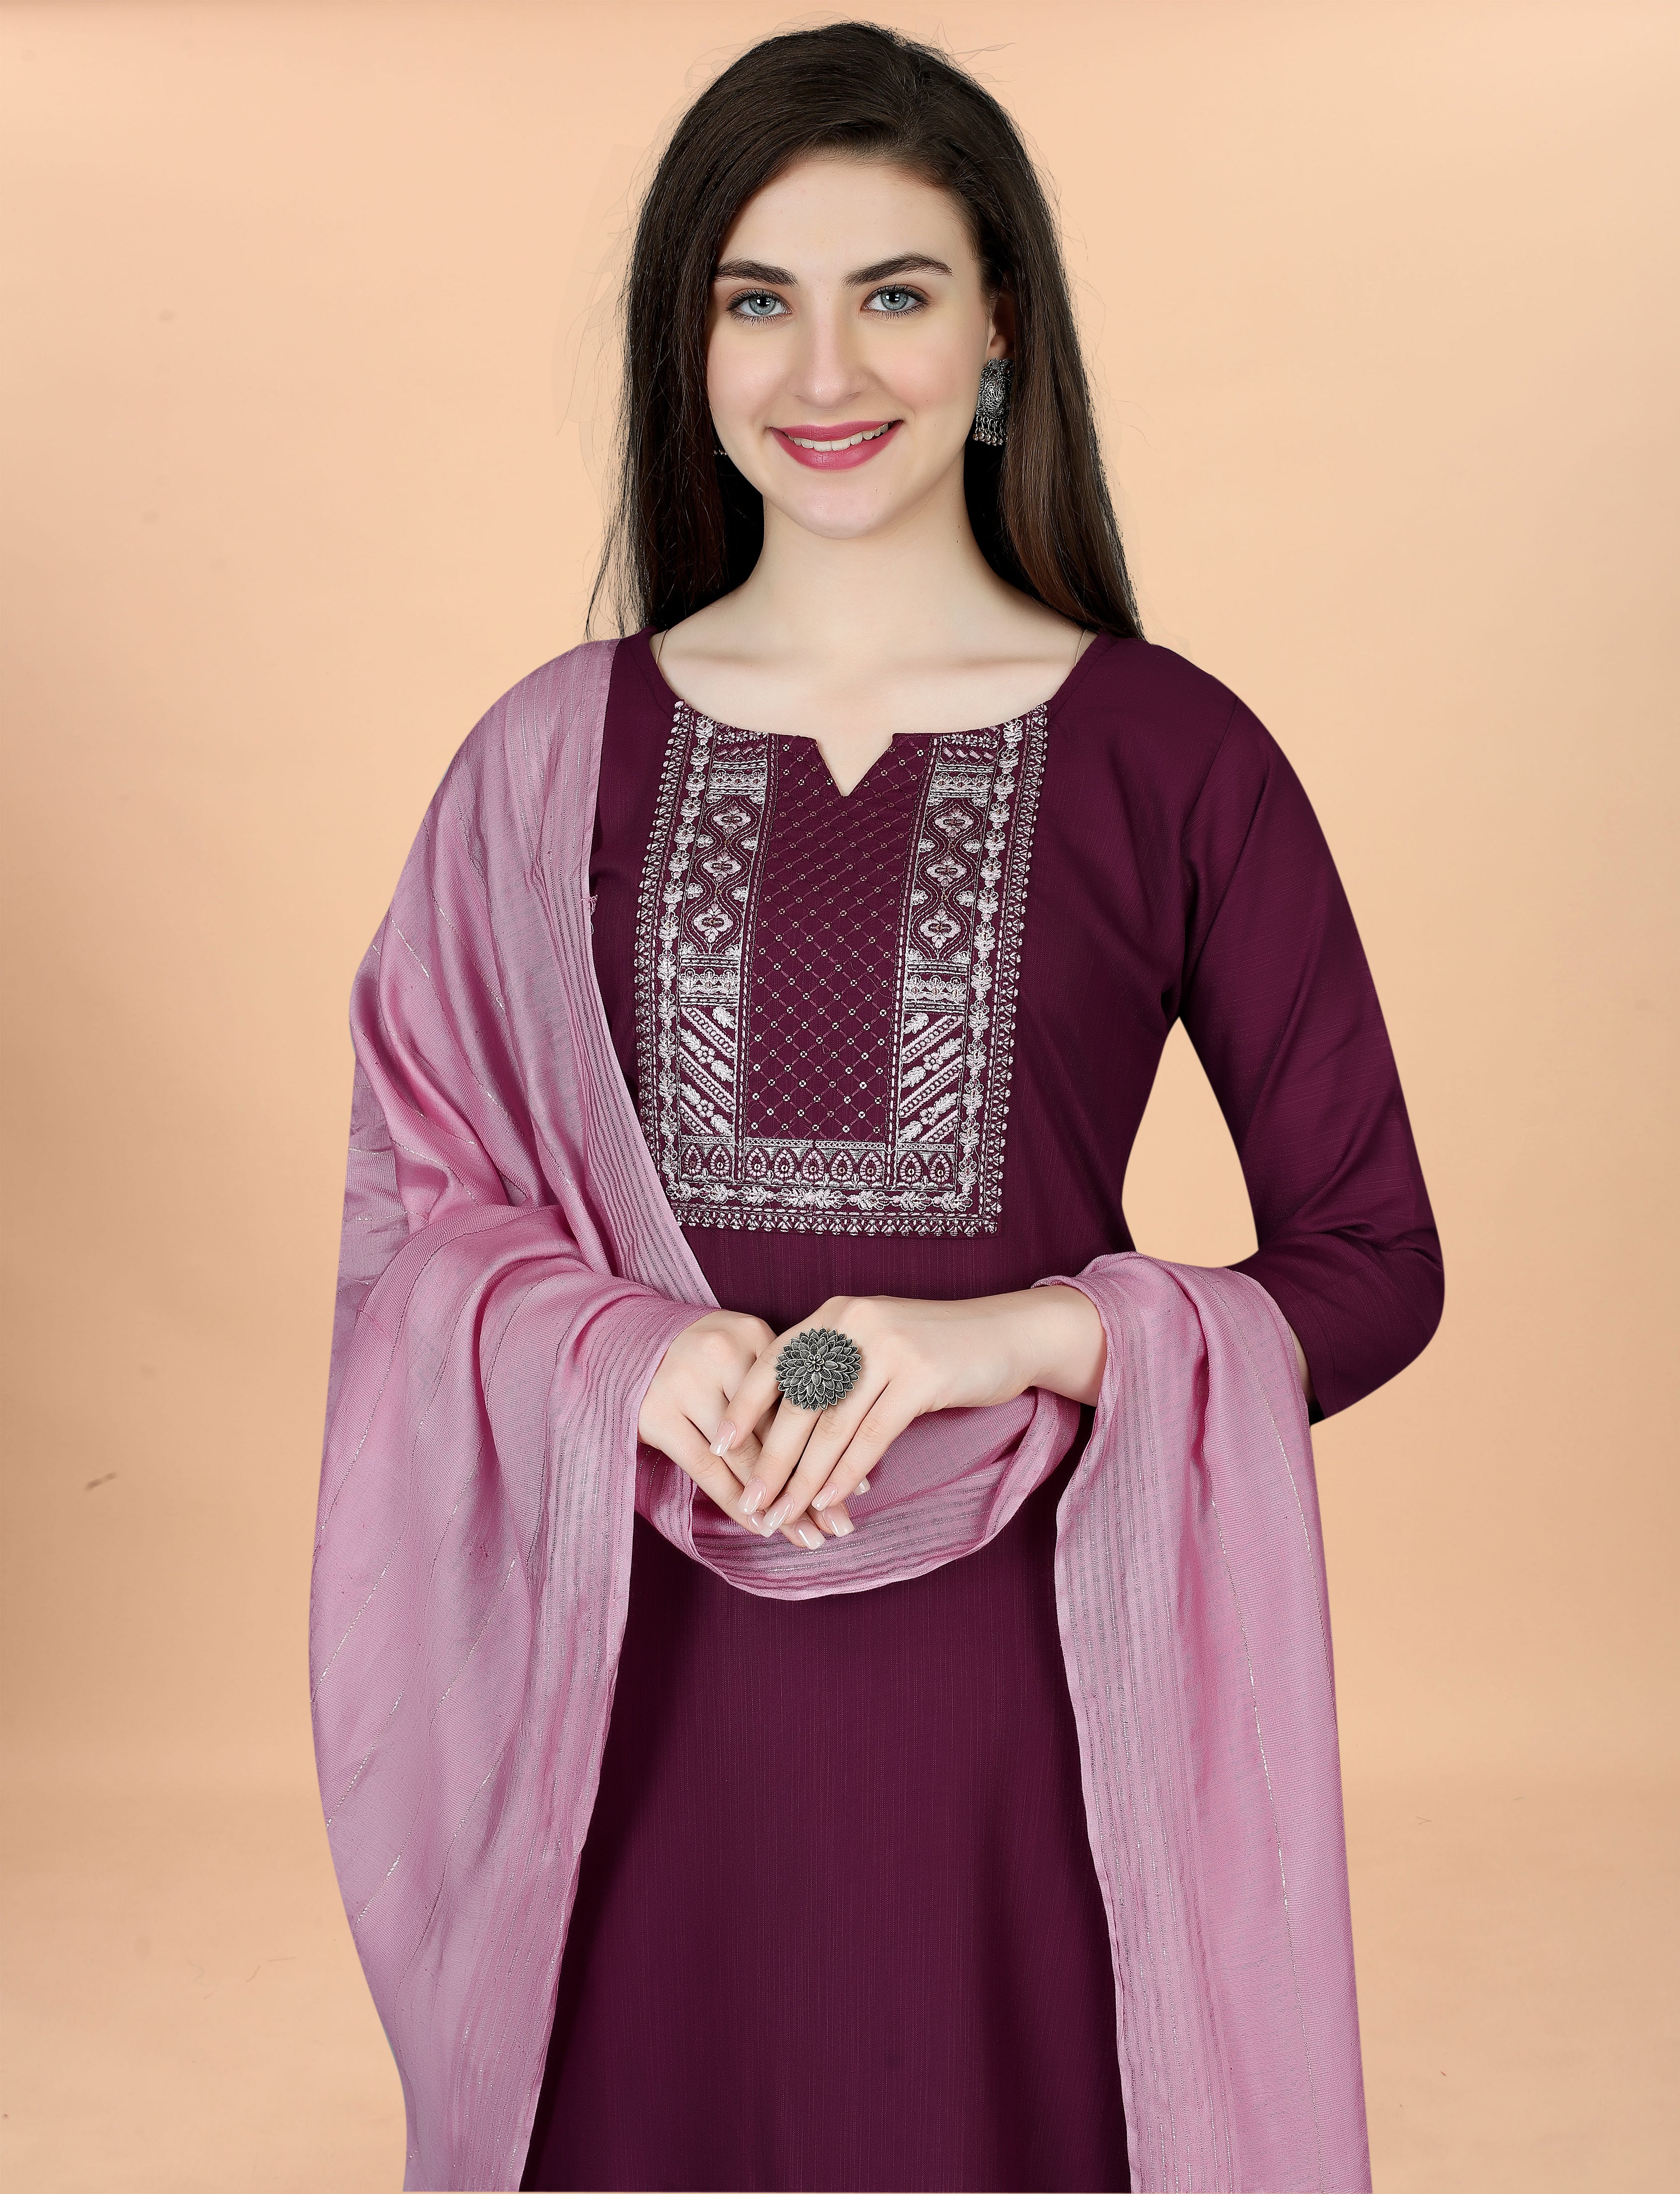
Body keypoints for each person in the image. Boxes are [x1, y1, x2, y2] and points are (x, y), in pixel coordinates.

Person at [311, 23, 1442, 2194]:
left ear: (1002, 325)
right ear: (693, 343)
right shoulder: (551, 758)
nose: (824, 365)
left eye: (895, 291)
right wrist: (625, 1356)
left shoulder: (1175, 757)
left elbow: (1374, 1267)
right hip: (632, 1707)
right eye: (759, 297)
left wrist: (1012, 1331)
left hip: (1034, 1707)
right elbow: (420, 1224)